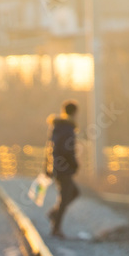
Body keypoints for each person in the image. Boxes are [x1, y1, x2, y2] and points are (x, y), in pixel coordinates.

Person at [45, 100, 80, 237]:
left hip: (57, 167)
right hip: (64, 168)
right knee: (65, 197)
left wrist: (47, 168)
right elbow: (68, 150)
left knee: (74, 193)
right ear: (75, 113)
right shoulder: (69, 128)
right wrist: (74, 164)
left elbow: (49, 148)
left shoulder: (56, 126)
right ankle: (56, 228)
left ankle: (54, 214)